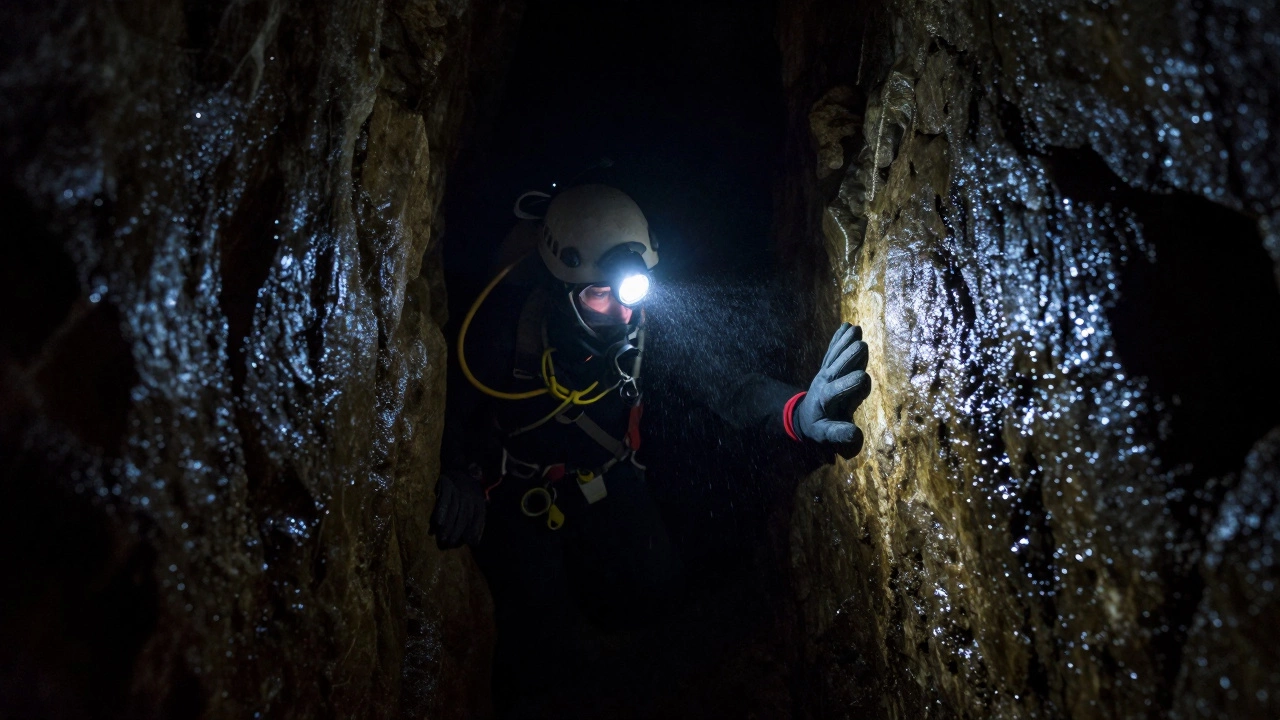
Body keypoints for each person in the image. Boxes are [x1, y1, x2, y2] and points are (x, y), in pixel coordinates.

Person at [431, 184, 871, 717]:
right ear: (560, 285)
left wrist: (796, 412)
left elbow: (728, 385)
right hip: (521, 492)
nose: (621, 313)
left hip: (606, 475)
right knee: (541, 649)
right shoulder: (501, 334)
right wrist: (457, 475)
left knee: (659, 590)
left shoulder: (641, 327)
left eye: (630, 293)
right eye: (598, 294)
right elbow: (447, 416)